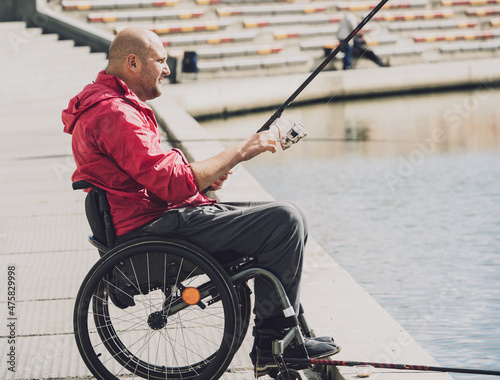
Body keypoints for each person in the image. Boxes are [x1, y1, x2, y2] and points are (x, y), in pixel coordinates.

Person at [62, 27, 339, 376]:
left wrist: (203, 182)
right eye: (160, 61)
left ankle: (283, 334)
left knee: (279, 220)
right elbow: (170, 182)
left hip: (151, 222)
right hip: (152, 235)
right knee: (285, 220)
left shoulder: (107, 105)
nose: (166, 69)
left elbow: (152, 178)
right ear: (133, 63)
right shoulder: (116, 114)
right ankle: (274, 340)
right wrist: (240, 151)